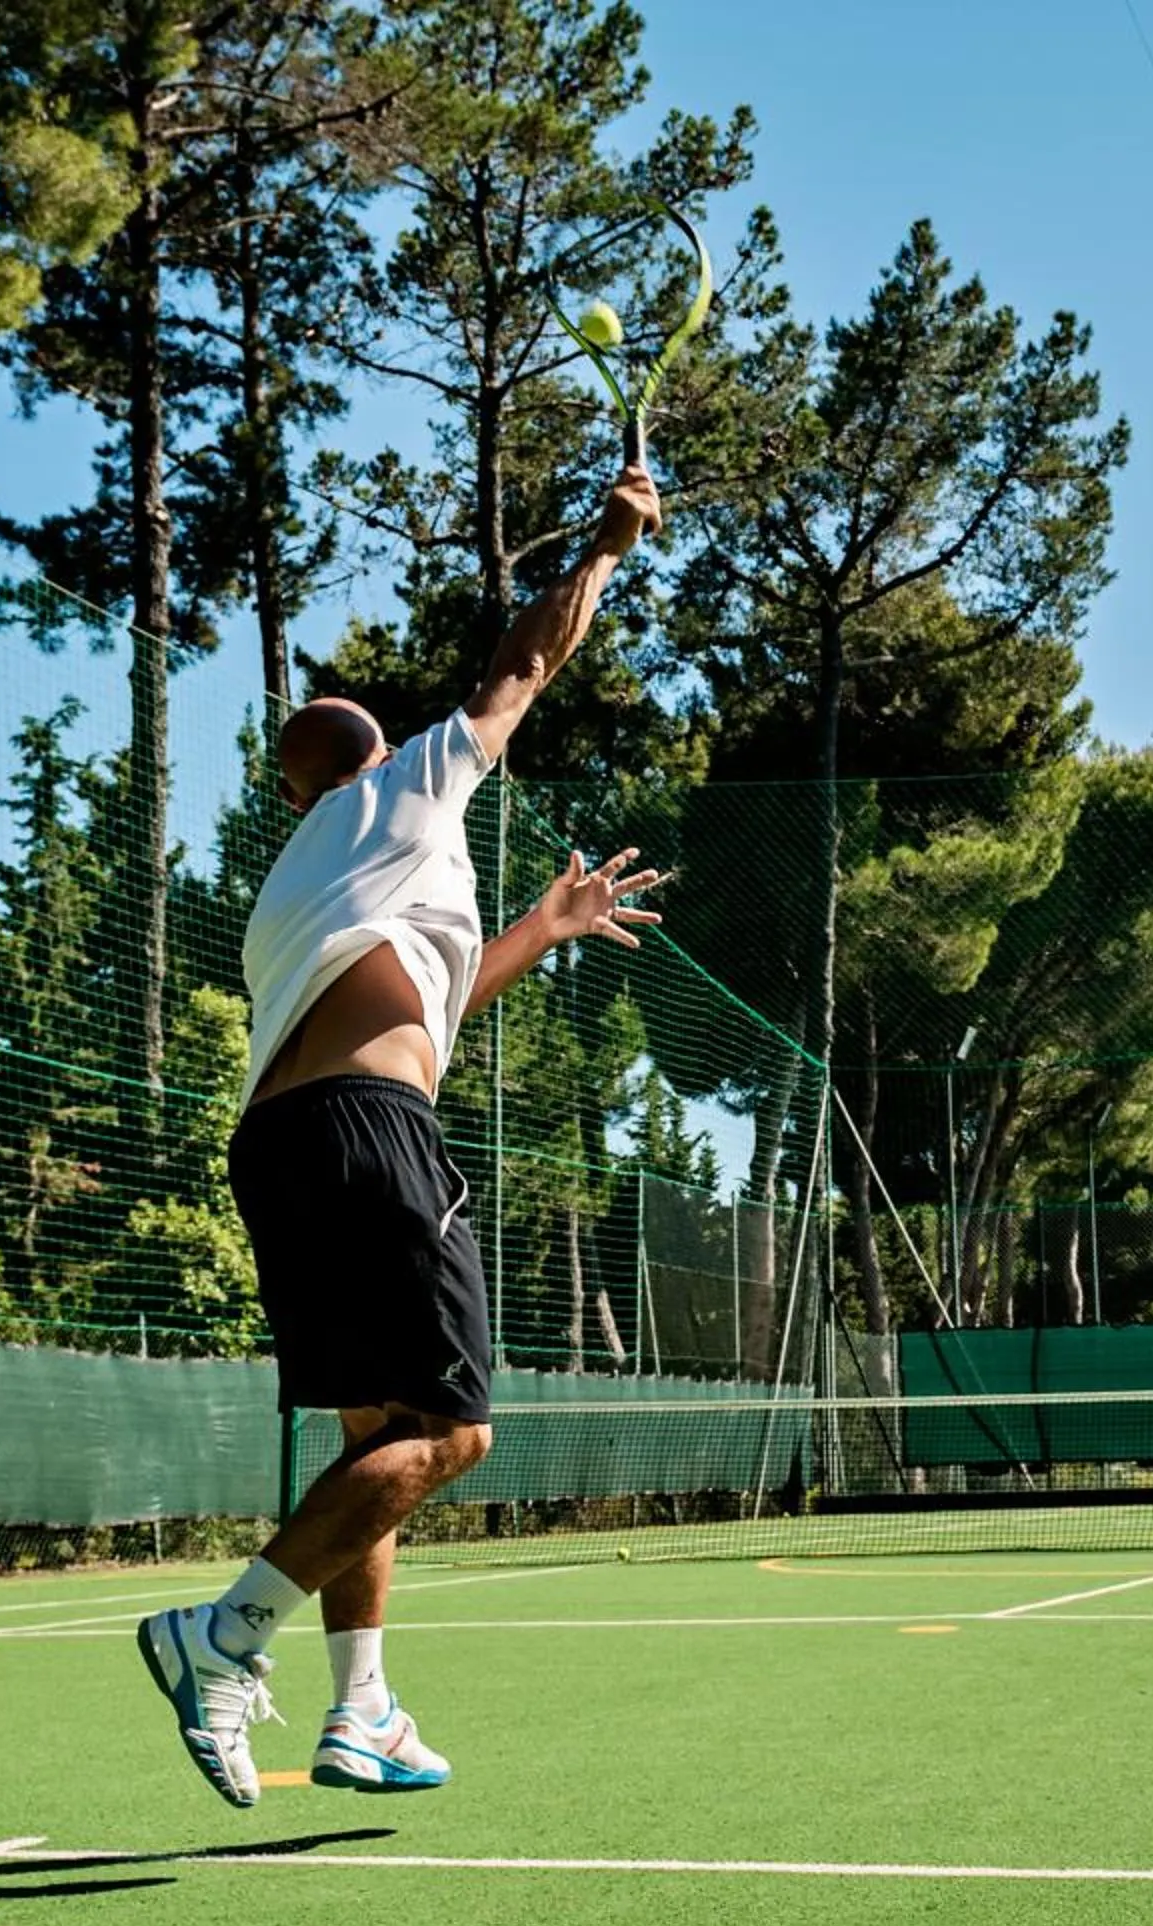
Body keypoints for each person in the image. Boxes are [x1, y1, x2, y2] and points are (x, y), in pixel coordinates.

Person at [137, 466, 667, 1808]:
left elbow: (419, 1004)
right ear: (369, 751)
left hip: (281, 1147)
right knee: (456, 1432)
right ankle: (221, 1634)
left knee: (376, 1430)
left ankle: (361, 1711)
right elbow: (525, 665)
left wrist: (538, 933)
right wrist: (608, 548)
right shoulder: (410, 786)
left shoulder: (298, 884)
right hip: (374, 1137)